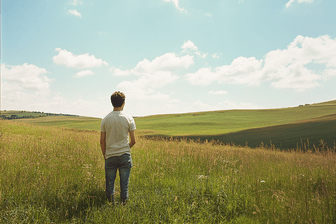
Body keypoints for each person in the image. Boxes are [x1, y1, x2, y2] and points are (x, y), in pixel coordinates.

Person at [100, 91, 136, 204]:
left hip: (110, 155)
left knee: (110, 184)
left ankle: (110, 205)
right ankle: (124, 205)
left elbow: (102, 141)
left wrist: (105, 154)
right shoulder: (128, 118)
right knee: (124, 184)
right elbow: (134, 141)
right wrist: (125, 148)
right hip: (125, 155)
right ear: (123, 103)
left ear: (111, 103)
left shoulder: (105, 119)